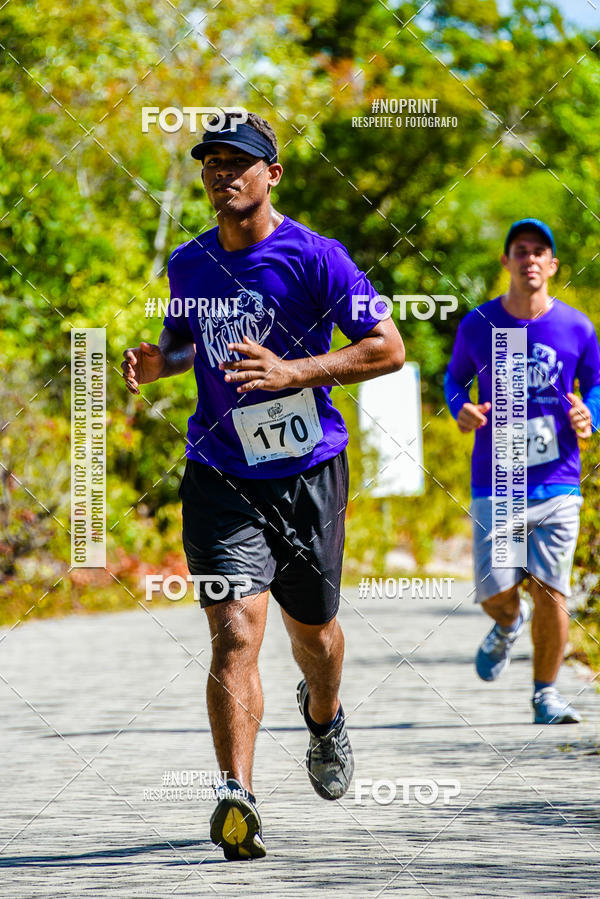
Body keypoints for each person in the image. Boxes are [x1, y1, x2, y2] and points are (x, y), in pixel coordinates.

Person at [122, 111, 405, 859]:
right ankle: (237, 797)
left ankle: (326, 715)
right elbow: (189, 343)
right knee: (236, 631)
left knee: (312, 632)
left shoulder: (317, 257)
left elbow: (387, 347)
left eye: (238, 161)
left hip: (308, 472)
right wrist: (163, 362)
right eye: (211, 161)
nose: (222, 172)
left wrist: (295, 371)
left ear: (272, 173)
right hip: (220, 473)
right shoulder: (189, 262)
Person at [445, 218, 600, 725]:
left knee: (553, 589)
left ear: (552, 266)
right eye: (521, 251)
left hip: (558, 478)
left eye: (539, 252)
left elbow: (595, 385)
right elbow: (454, 381)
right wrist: (460, 410)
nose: (530, 259)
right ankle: (508, 624)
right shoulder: (479, 324)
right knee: (496, 592)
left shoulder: (577, 327)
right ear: (507, 262)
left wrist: (589, 414)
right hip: (499, 478)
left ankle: (546, 695)